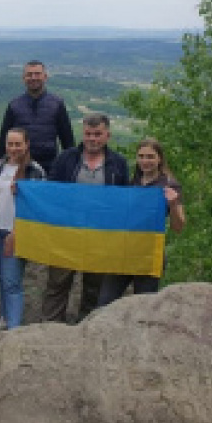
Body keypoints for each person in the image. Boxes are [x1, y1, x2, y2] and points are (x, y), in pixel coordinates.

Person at [42, 113, 129, 324]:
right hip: (67, 232)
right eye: (88, 134)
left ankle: (86, 328)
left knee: (94, 286)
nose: (92, 139)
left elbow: (126, 198)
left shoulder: (118, 163)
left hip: (99, 234)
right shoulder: (67, 158)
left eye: (97, 134)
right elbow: (51, 190)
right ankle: (49, 328)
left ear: (107, 135)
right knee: (58, 283)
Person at [98, 137, 186, 306]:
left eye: (150, 156)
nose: (145, 161)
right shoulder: (132, 182)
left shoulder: (168, 185)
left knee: (143, 307)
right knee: (105, 302)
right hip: (124, 251)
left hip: (149, 255)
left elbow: (178, 227)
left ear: (160, 158)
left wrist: (174, 204)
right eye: (141, 156)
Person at [0, 128, 46, 333]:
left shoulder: (35, 170)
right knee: (1, 277)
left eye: (18, 144)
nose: (13, 148)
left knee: (12, 281)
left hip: (16, 230)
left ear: (26, 144)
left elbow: (39, 204)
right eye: (10, 144)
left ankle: (14, 329)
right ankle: (5, 317)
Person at [0, 60, 75, 173]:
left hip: (49, 167)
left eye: (37, 74)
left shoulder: (57, 104)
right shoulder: (14, 105)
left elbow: (67, 141)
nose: (33, 78)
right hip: (20, 168)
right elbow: (3, 140)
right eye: (29, 74)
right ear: (23, 78)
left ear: (45, 77)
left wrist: (72, 167)